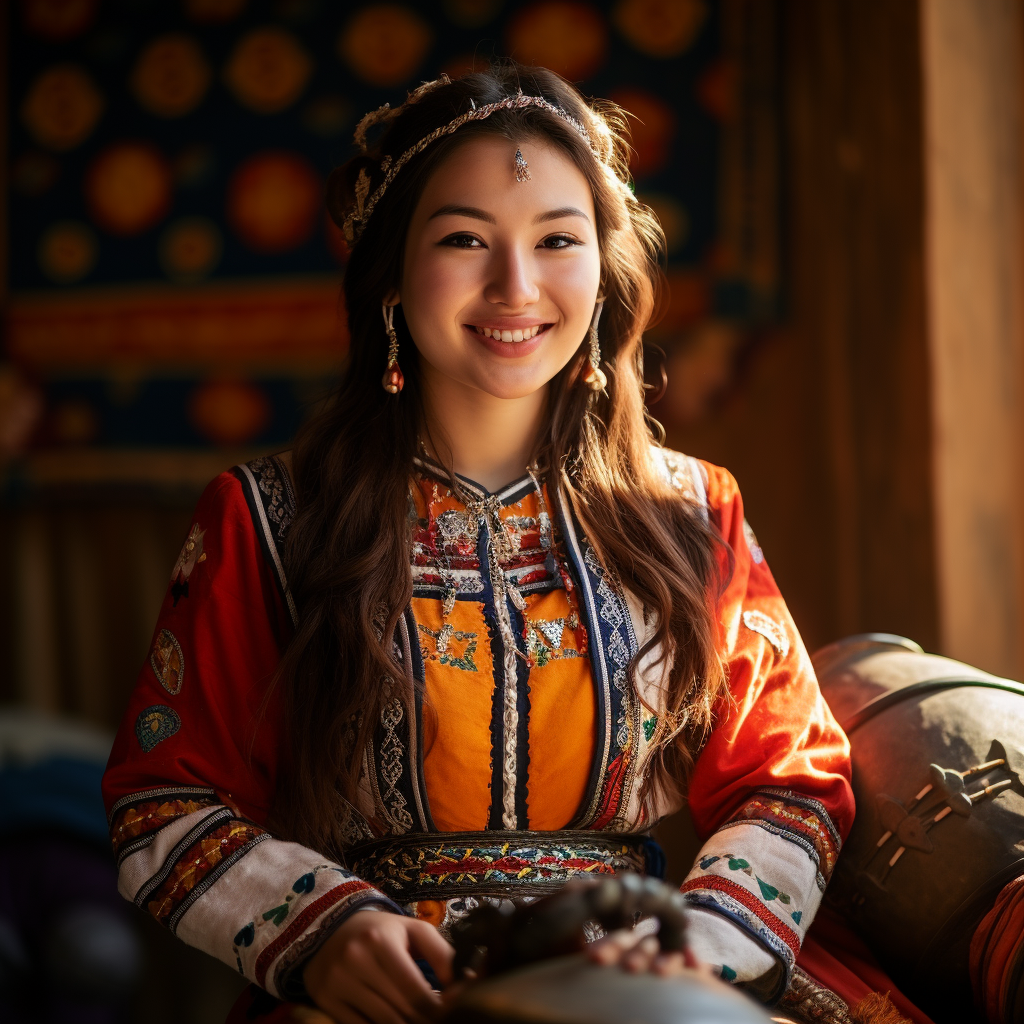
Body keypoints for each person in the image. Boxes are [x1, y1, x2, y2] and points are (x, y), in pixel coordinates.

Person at [102, 63, 896, 1024]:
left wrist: (697, 949)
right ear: (393, 272)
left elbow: (789, 779)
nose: (515, 286)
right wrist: (325, 932)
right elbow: (164, 803)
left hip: (640, 985)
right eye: (465, 239)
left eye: (558, 239)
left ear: (605, 270)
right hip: (387, 995)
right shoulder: (268, 520)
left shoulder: (691, 512)